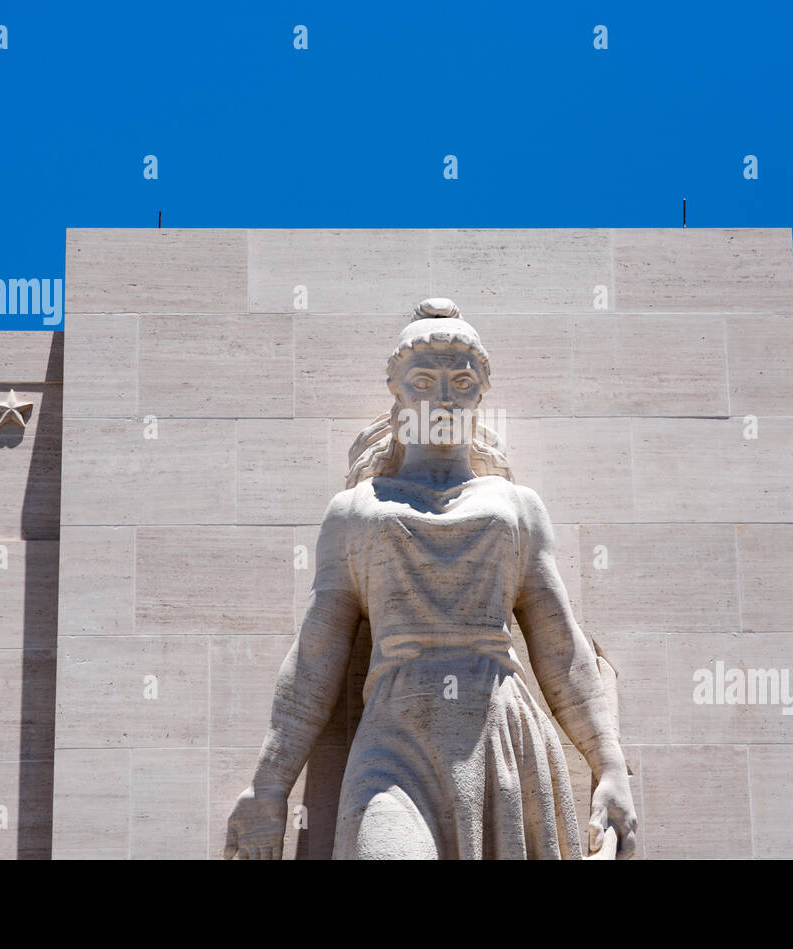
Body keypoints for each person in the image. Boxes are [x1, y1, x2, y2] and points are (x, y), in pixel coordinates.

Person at [226, 298, 636, 859]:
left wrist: (609, 764)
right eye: (424, 379)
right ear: (399, 393)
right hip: (394, 737)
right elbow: (316, 653)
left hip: (501, 737)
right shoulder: (355, 510)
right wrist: (269, 785)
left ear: (479, 396)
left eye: (461, 381)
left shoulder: (516, 507)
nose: (443, 395)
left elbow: (559, 645)